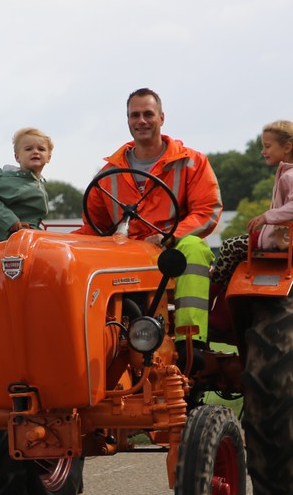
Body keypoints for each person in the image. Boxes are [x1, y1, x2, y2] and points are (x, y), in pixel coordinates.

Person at [79, 88, 222, 363]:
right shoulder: (109, 172)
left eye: (148, 114)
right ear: (128, 120)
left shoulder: (190, 162)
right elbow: (93, 226)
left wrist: (169, 236)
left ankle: (191, 343)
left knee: (194, 248)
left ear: (161, 118)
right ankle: (95, 342)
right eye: (135, 115)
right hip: (126, 250)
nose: (141, 121)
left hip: (171, 247)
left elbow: (207, 210)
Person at [210, 121, 293, 286]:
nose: (263, 151)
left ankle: (214, 287)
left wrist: (267, 217)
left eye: (267, 146)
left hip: (290, 235)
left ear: (287, 148)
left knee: (230, 246)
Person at [0, 127, 53, 244]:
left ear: (48, 157)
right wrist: (9, 220)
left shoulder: (36, 182)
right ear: (17, 157)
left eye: (41, 149)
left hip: (30, 236)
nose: (35, 152)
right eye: (28, 149)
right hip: (10, 240)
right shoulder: (9, 180)